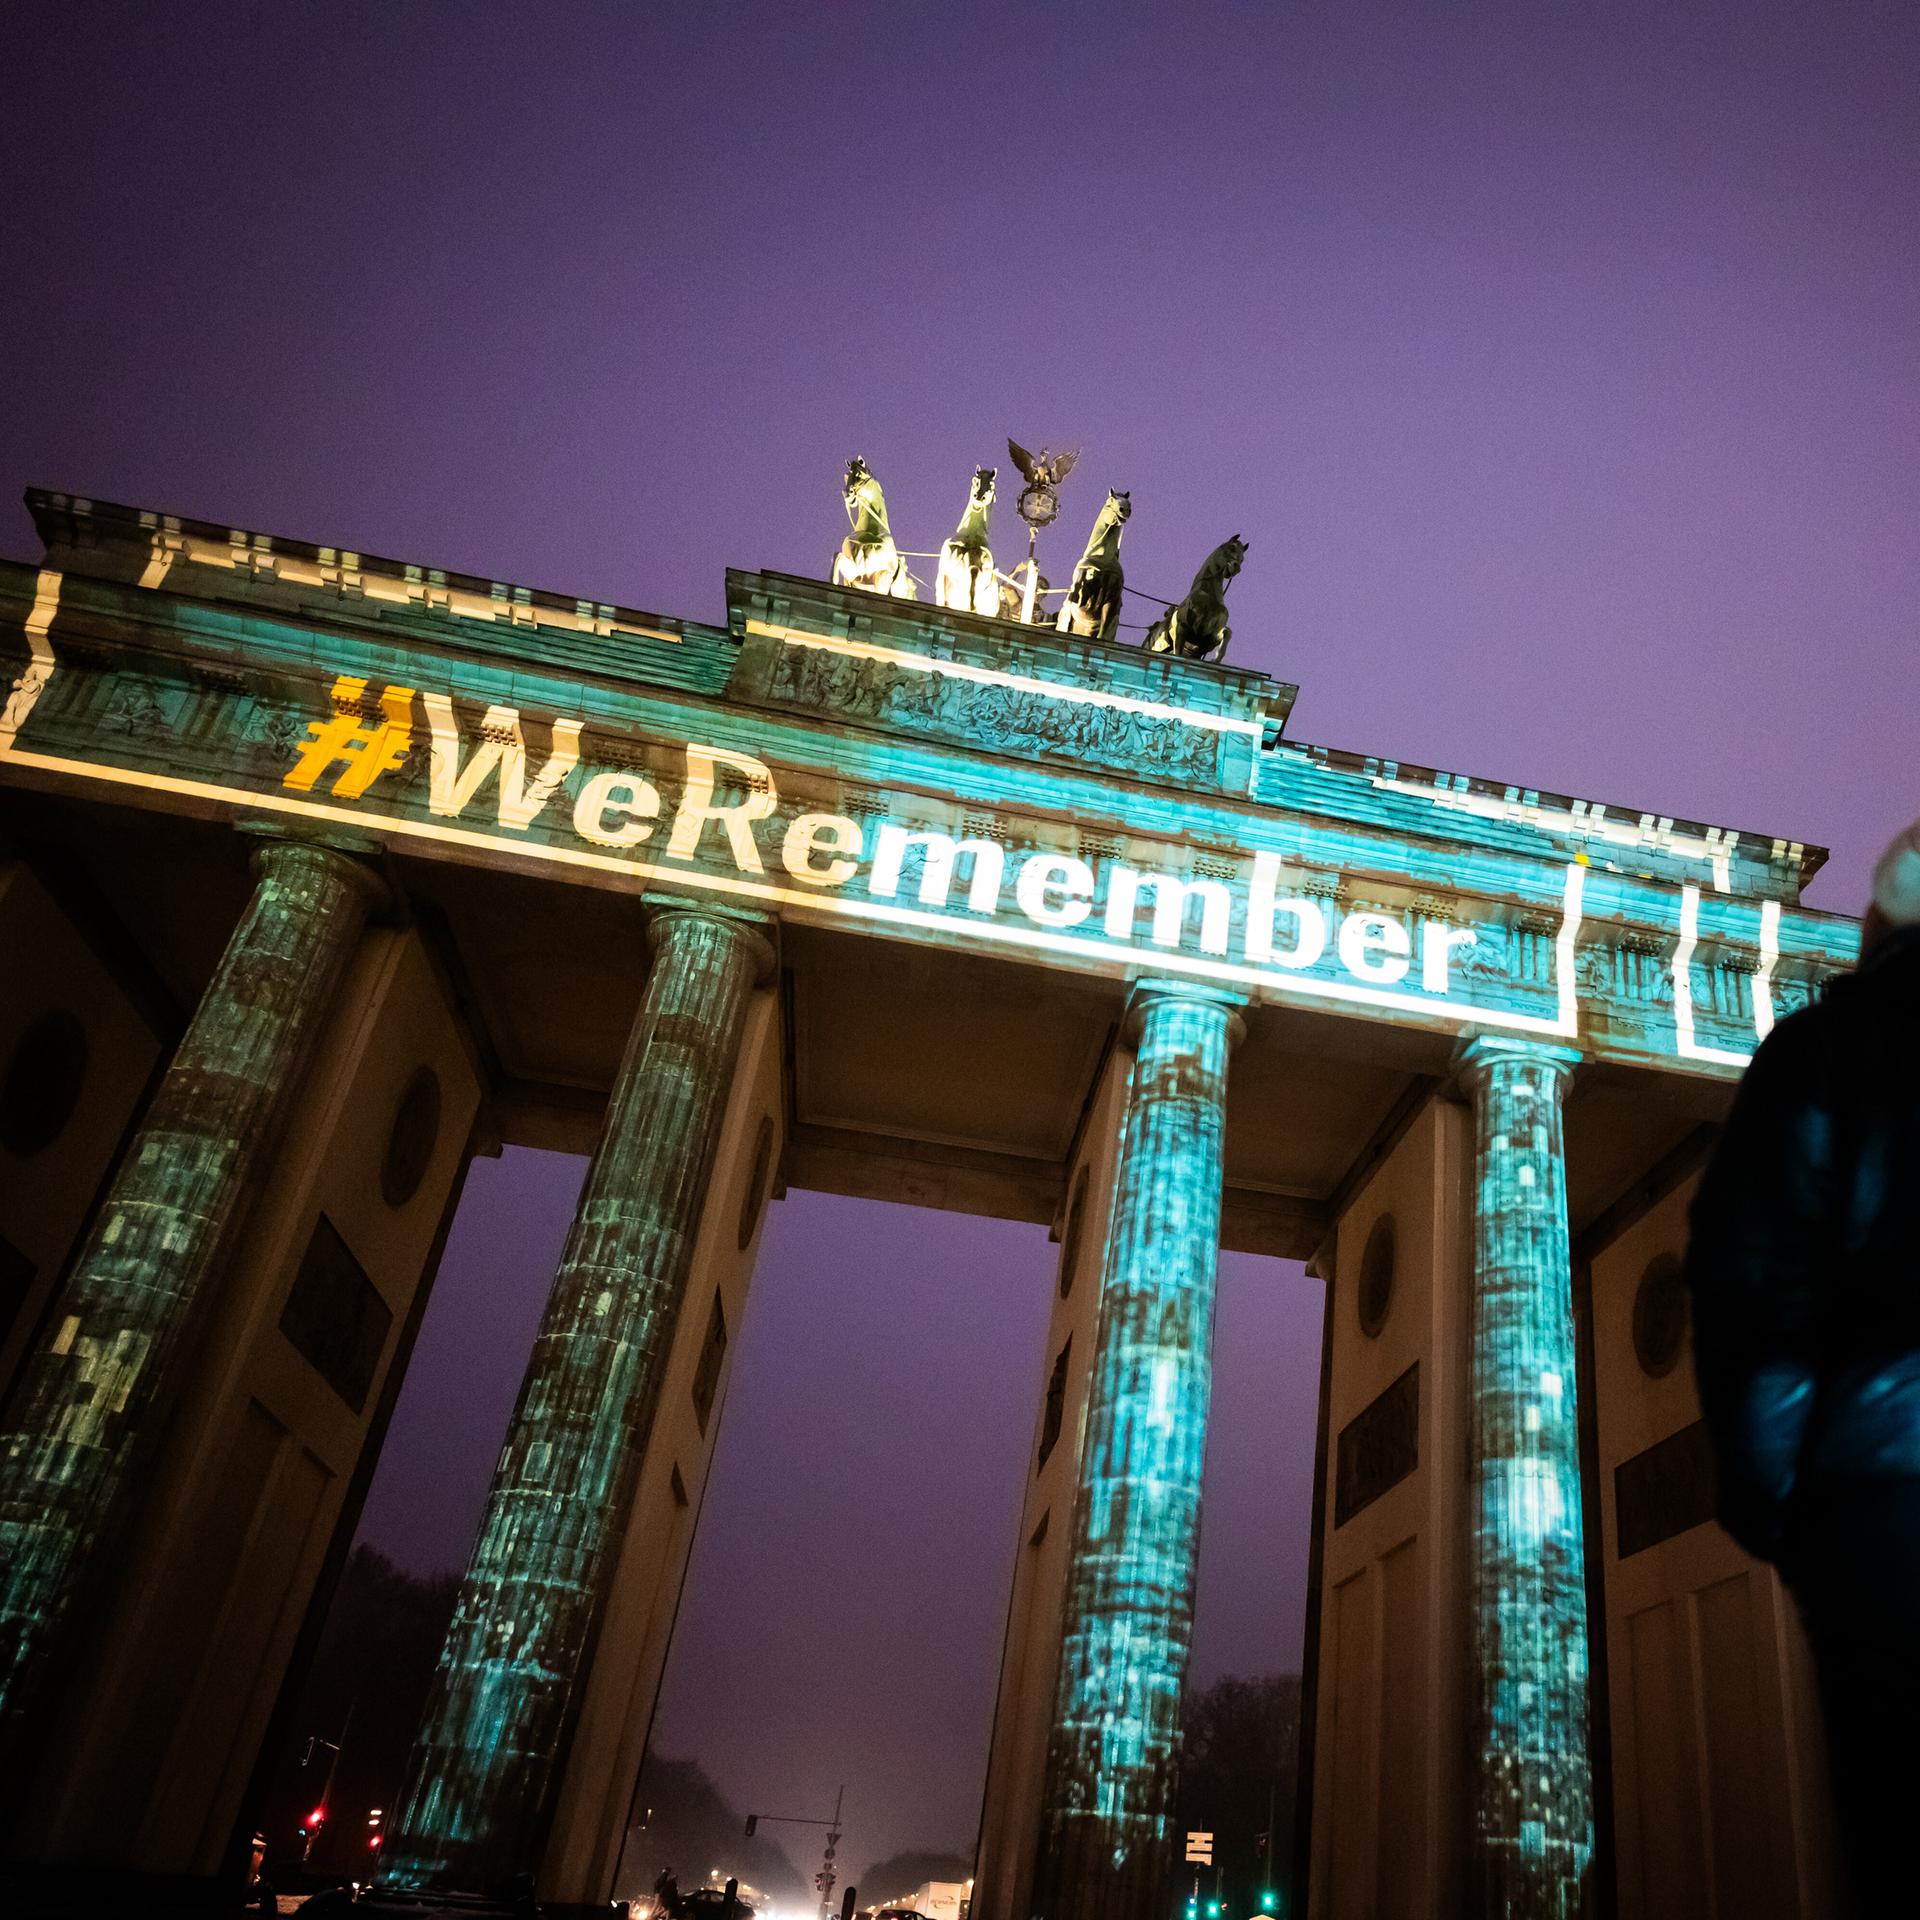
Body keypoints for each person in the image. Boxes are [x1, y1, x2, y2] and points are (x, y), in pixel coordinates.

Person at [1687, 817, 1920, 1914]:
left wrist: (1771, 1499)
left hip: (1886, 1505)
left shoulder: (1831, 1048)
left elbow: (1754, 1285)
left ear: (1879, 921)